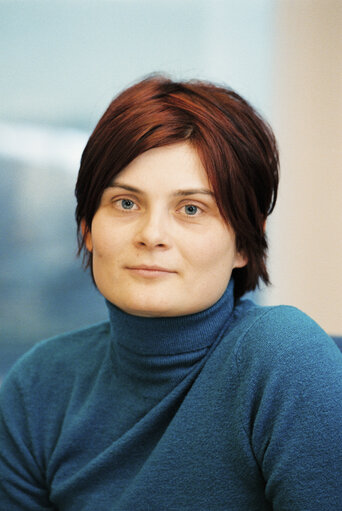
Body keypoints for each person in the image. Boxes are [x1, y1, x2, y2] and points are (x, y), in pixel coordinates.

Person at [1, 75, 341, 511]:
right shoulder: (38, 385)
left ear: (243, 242)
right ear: (87, 227)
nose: (152, 234)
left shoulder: (284, 358)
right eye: (126, 203)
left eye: (192, 208)